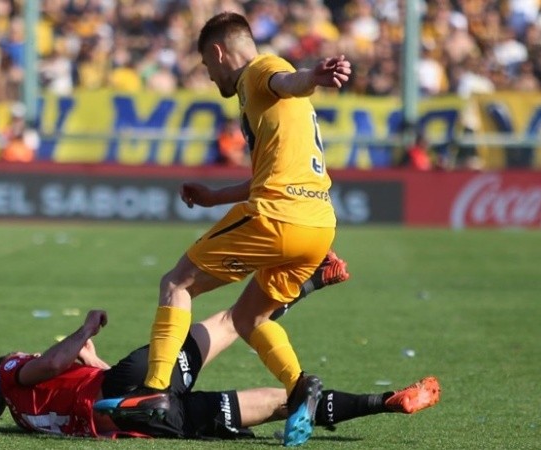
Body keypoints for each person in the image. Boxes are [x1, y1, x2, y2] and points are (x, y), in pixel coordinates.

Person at [95, 12, 352, 447]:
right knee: (250, 317)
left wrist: (314, 75)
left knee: (177, 282)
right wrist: (215, 197)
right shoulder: (268, 102)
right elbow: (266, 169)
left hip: (277, 215)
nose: (210, 76)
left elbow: (288, 80)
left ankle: (154, 392)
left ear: (217, 52)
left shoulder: (260, 70)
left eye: (206, 66)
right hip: (319, 224)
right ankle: (298, 385)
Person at [0, 300, 440, 439]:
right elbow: (57, 360)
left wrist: (86, 355)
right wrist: (84, 329)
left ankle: (386, 403)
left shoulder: (27, 416)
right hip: (132, 385)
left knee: (285, 402)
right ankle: (308, 281)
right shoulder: (9, 375)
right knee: (227, 321)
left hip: (143, 419)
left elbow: (74, 372)